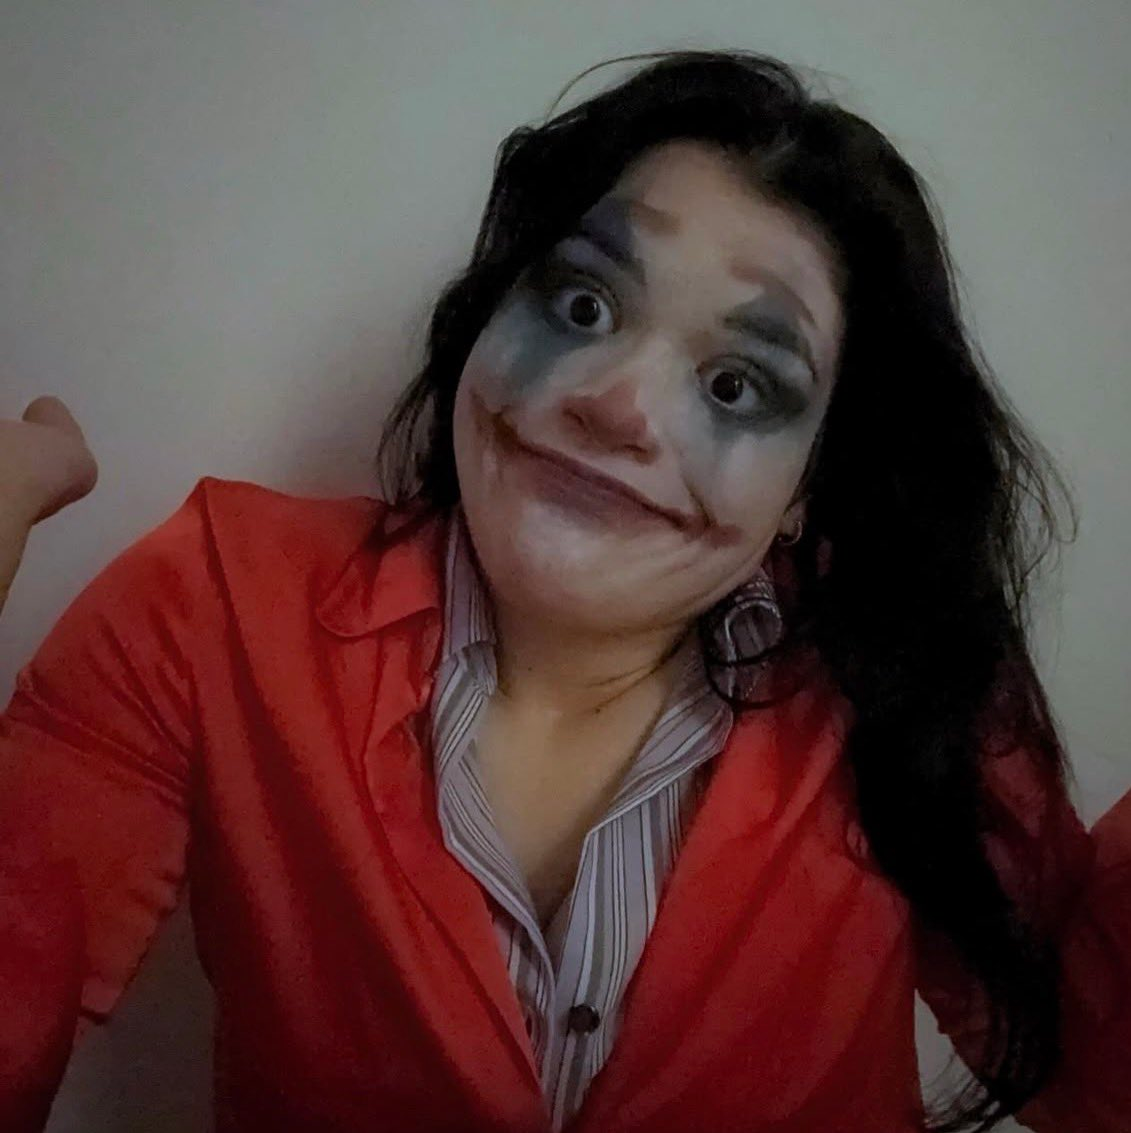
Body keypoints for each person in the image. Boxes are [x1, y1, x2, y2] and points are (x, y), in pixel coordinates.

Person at [0, 49, 1127, 1133]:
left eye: (738, 385)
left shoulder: (912, 671)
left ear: (806, 487)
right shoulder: (215, 602)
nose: (616, 404)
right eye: (584, 303)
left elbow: (1096, 1080)